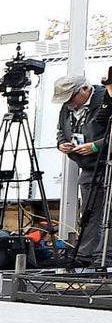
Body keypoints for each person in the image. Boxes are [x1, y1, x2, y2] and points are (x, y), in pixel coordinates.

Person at [53, 73, 111, 267]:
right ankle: (86, 254)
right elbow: (61, 131)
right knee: (89, 212)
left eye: (70, 98)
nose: (68, 103)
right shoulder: (67, 108)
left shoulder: (105, 99)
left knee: (108, 212)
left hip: (107, 162)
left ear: (84, 90)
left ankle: (106, 255)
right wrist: (62, 143)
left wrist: (96, 146)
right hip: (87, 167)